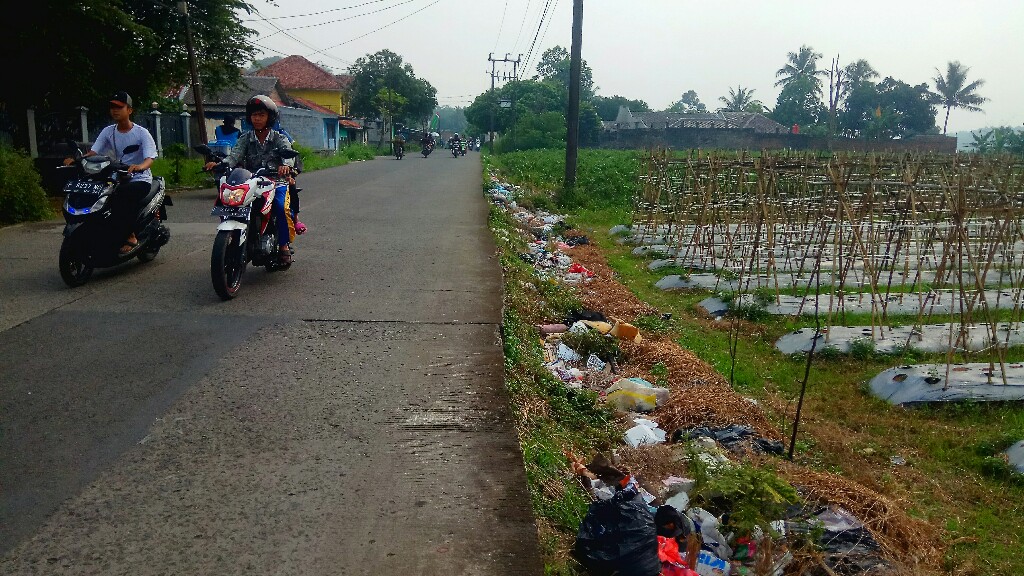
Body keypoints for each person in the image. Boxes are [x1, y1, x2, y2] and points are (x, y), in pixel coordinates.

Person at [205, 95, 296, 264]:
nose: (257, 118)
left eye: (261, 115)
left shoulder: (279, 138)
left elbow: (288, 155)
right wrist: (220, 164)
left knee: (279, 207)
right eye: (254, 115)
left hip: (275, 181)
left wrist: (285, 165)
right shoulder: (245, 138)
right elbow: (234, 156)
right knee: (228, 202)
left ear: (270, 117)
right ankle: (236, 237)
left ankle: (283, 246)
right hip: (250, 180)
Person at [64, 91, 158, 255]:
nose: (115, 110)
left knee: (119, 197)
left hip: (140, 179)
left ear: (129, 110)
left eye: (119, 107)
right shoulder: (108, 131)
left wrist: (140, 166)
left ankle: (131, 235)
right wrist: (76, 159)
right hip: (117, 177)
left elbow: (150, 157)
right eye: (112, 107)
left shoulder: (141, 133)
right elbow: (94, 152)